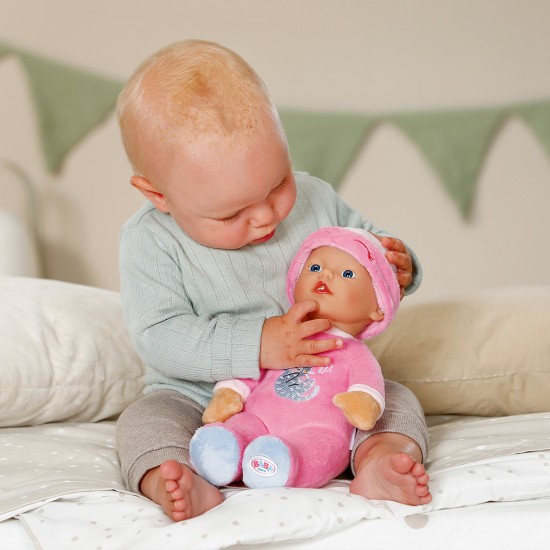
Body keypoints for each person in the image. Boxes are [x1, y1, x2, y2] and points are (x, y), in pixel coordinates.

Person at [115, 39, 431, 522]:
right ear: (158, 194)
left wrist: (399, 264)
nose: (266, 216)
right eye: (232, 214)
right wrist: (259, 343)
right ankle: (174, 477)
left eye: (279, 183)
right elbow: (159, 336)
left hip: (324, 389)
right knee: (145, 421)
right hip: (204, 398)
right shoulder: (150, 240)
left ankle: (380, 461)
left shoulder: (316, 198)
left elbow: (367, 249)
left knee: (396, 401)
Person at [190, 227, 400, 489]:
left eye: (347, 274)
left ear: (378, 307)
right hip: (258, 418)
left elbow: (366, 382)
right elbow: (254, 362)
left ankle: (285, 463)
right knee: (241, 426)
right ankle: (221, 453)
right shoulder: (282, 332)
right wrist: (230, 393)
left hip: (316, 427)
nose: (325, 275)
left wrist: (362, 400)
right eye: (314, 268)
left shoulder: (354, 352)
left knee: (319, 445)